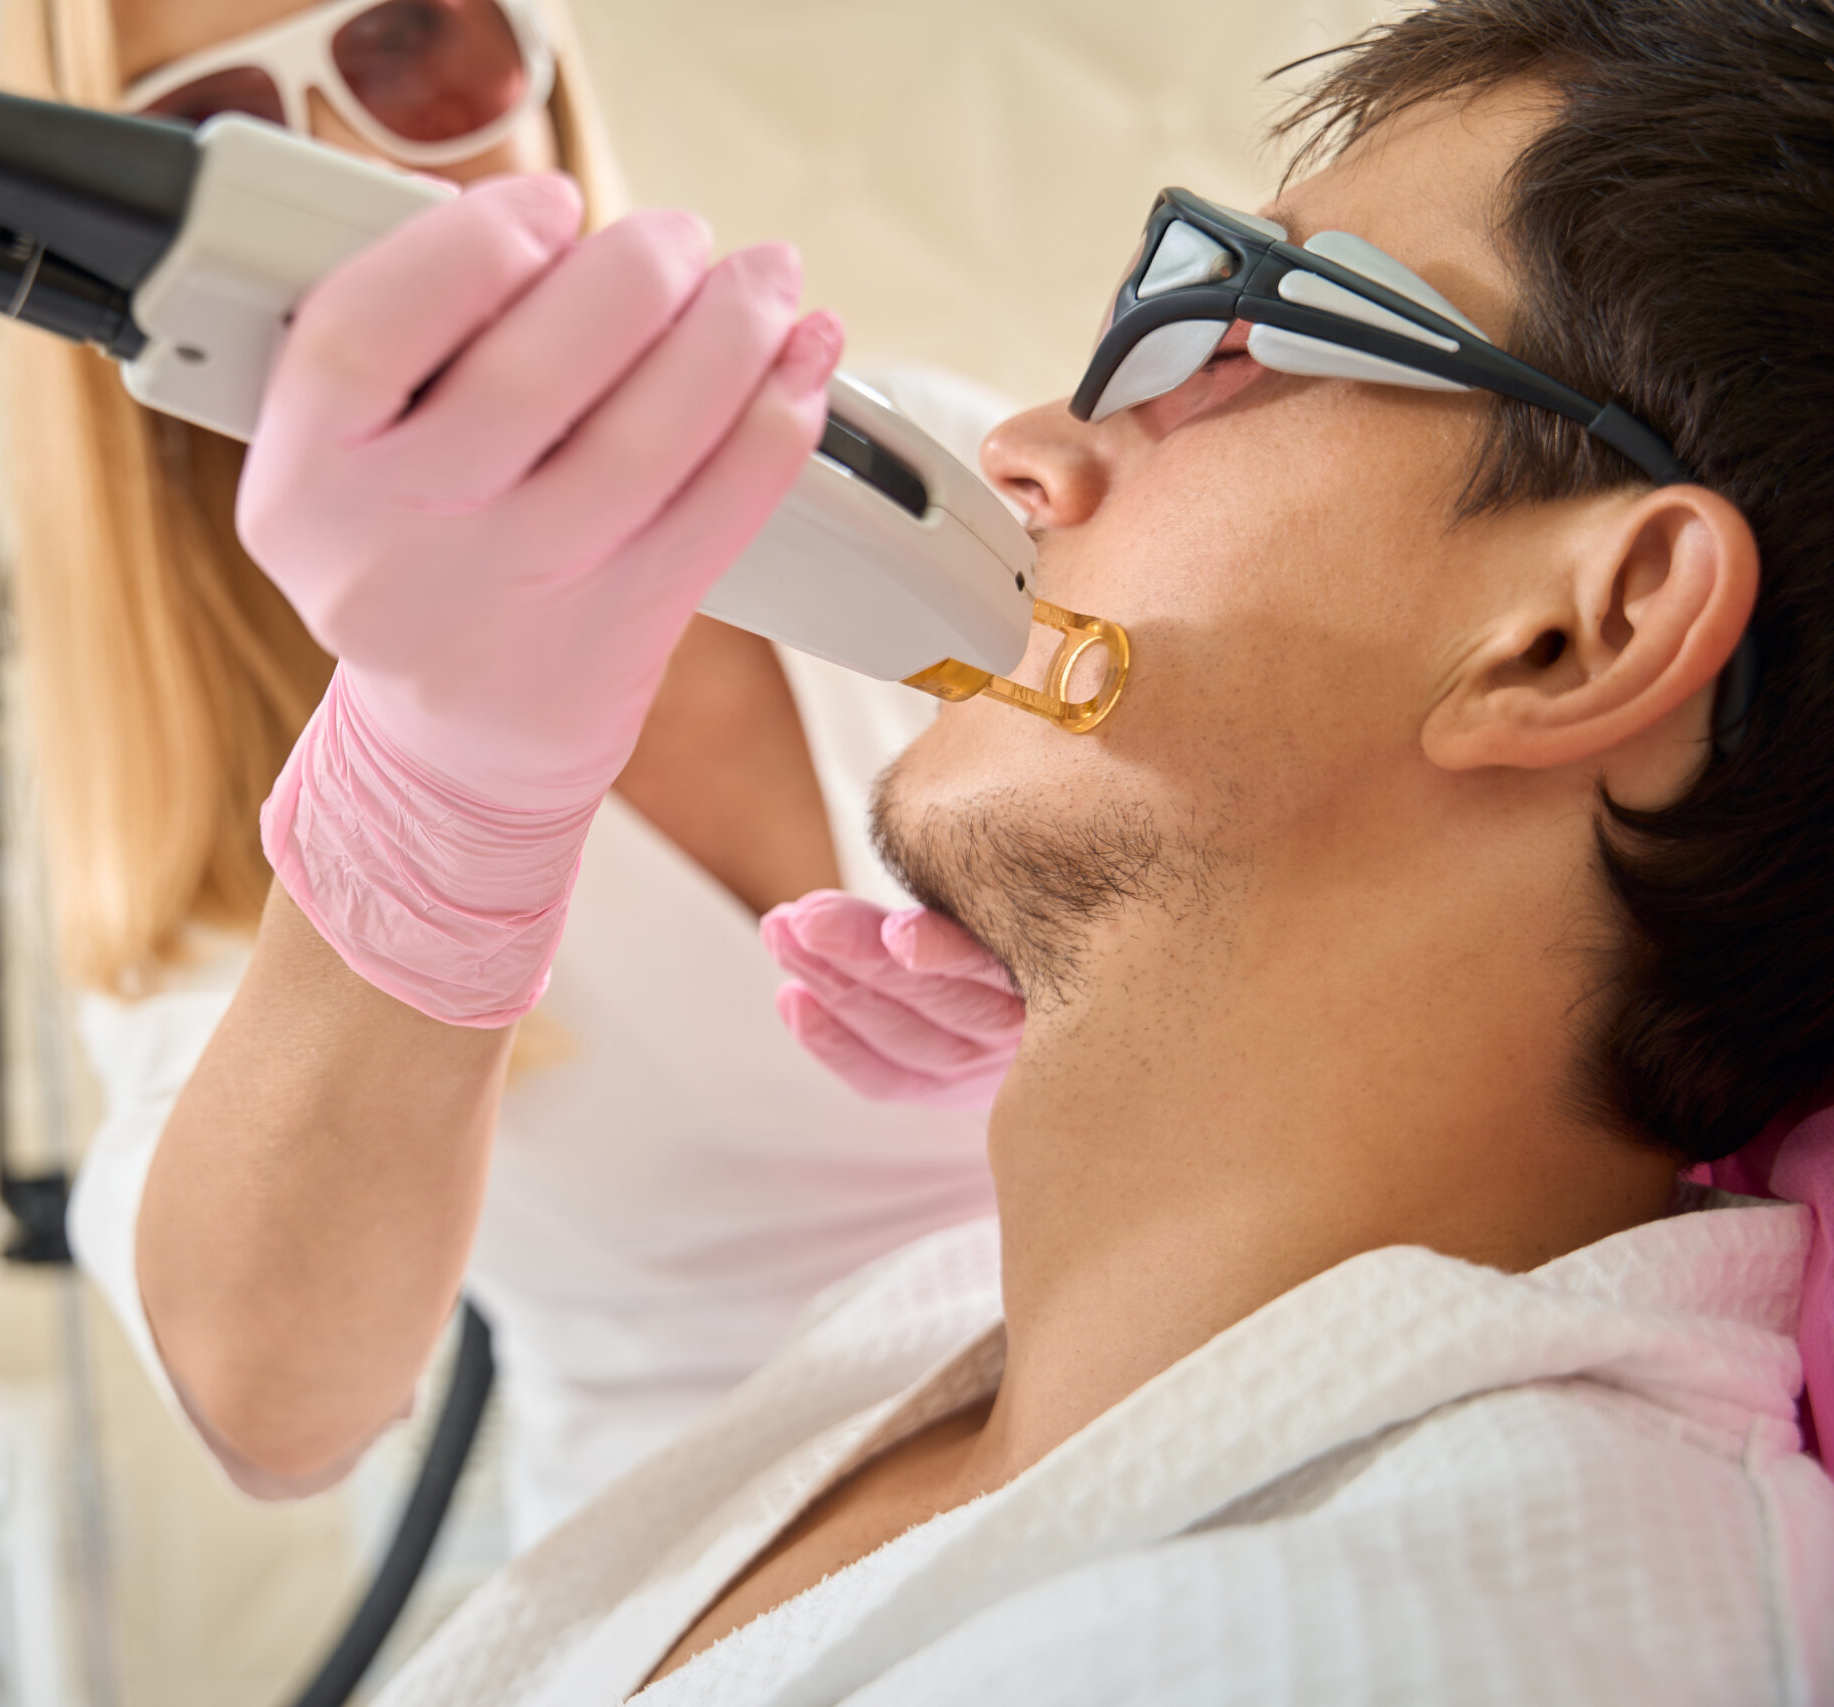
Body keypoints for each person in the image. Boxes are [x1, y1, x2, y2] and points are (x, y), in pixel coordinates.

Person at [133, 0, 1834, 1696]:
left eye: (1237, 340)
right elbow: (261, 1385)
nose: (1021, 447)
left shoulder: (1418, 1634)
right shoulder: (928, 1371)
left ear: (1578, 636)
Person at [0, 0, 1012, 1546]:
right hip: (709, 1572)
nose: (346, 175)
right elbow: (273, 1404)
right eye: (218, 133)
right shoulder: (197, 763)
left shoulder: (941, 481)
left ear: (543, 70)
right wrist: (433, 775)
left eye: (412, 46)